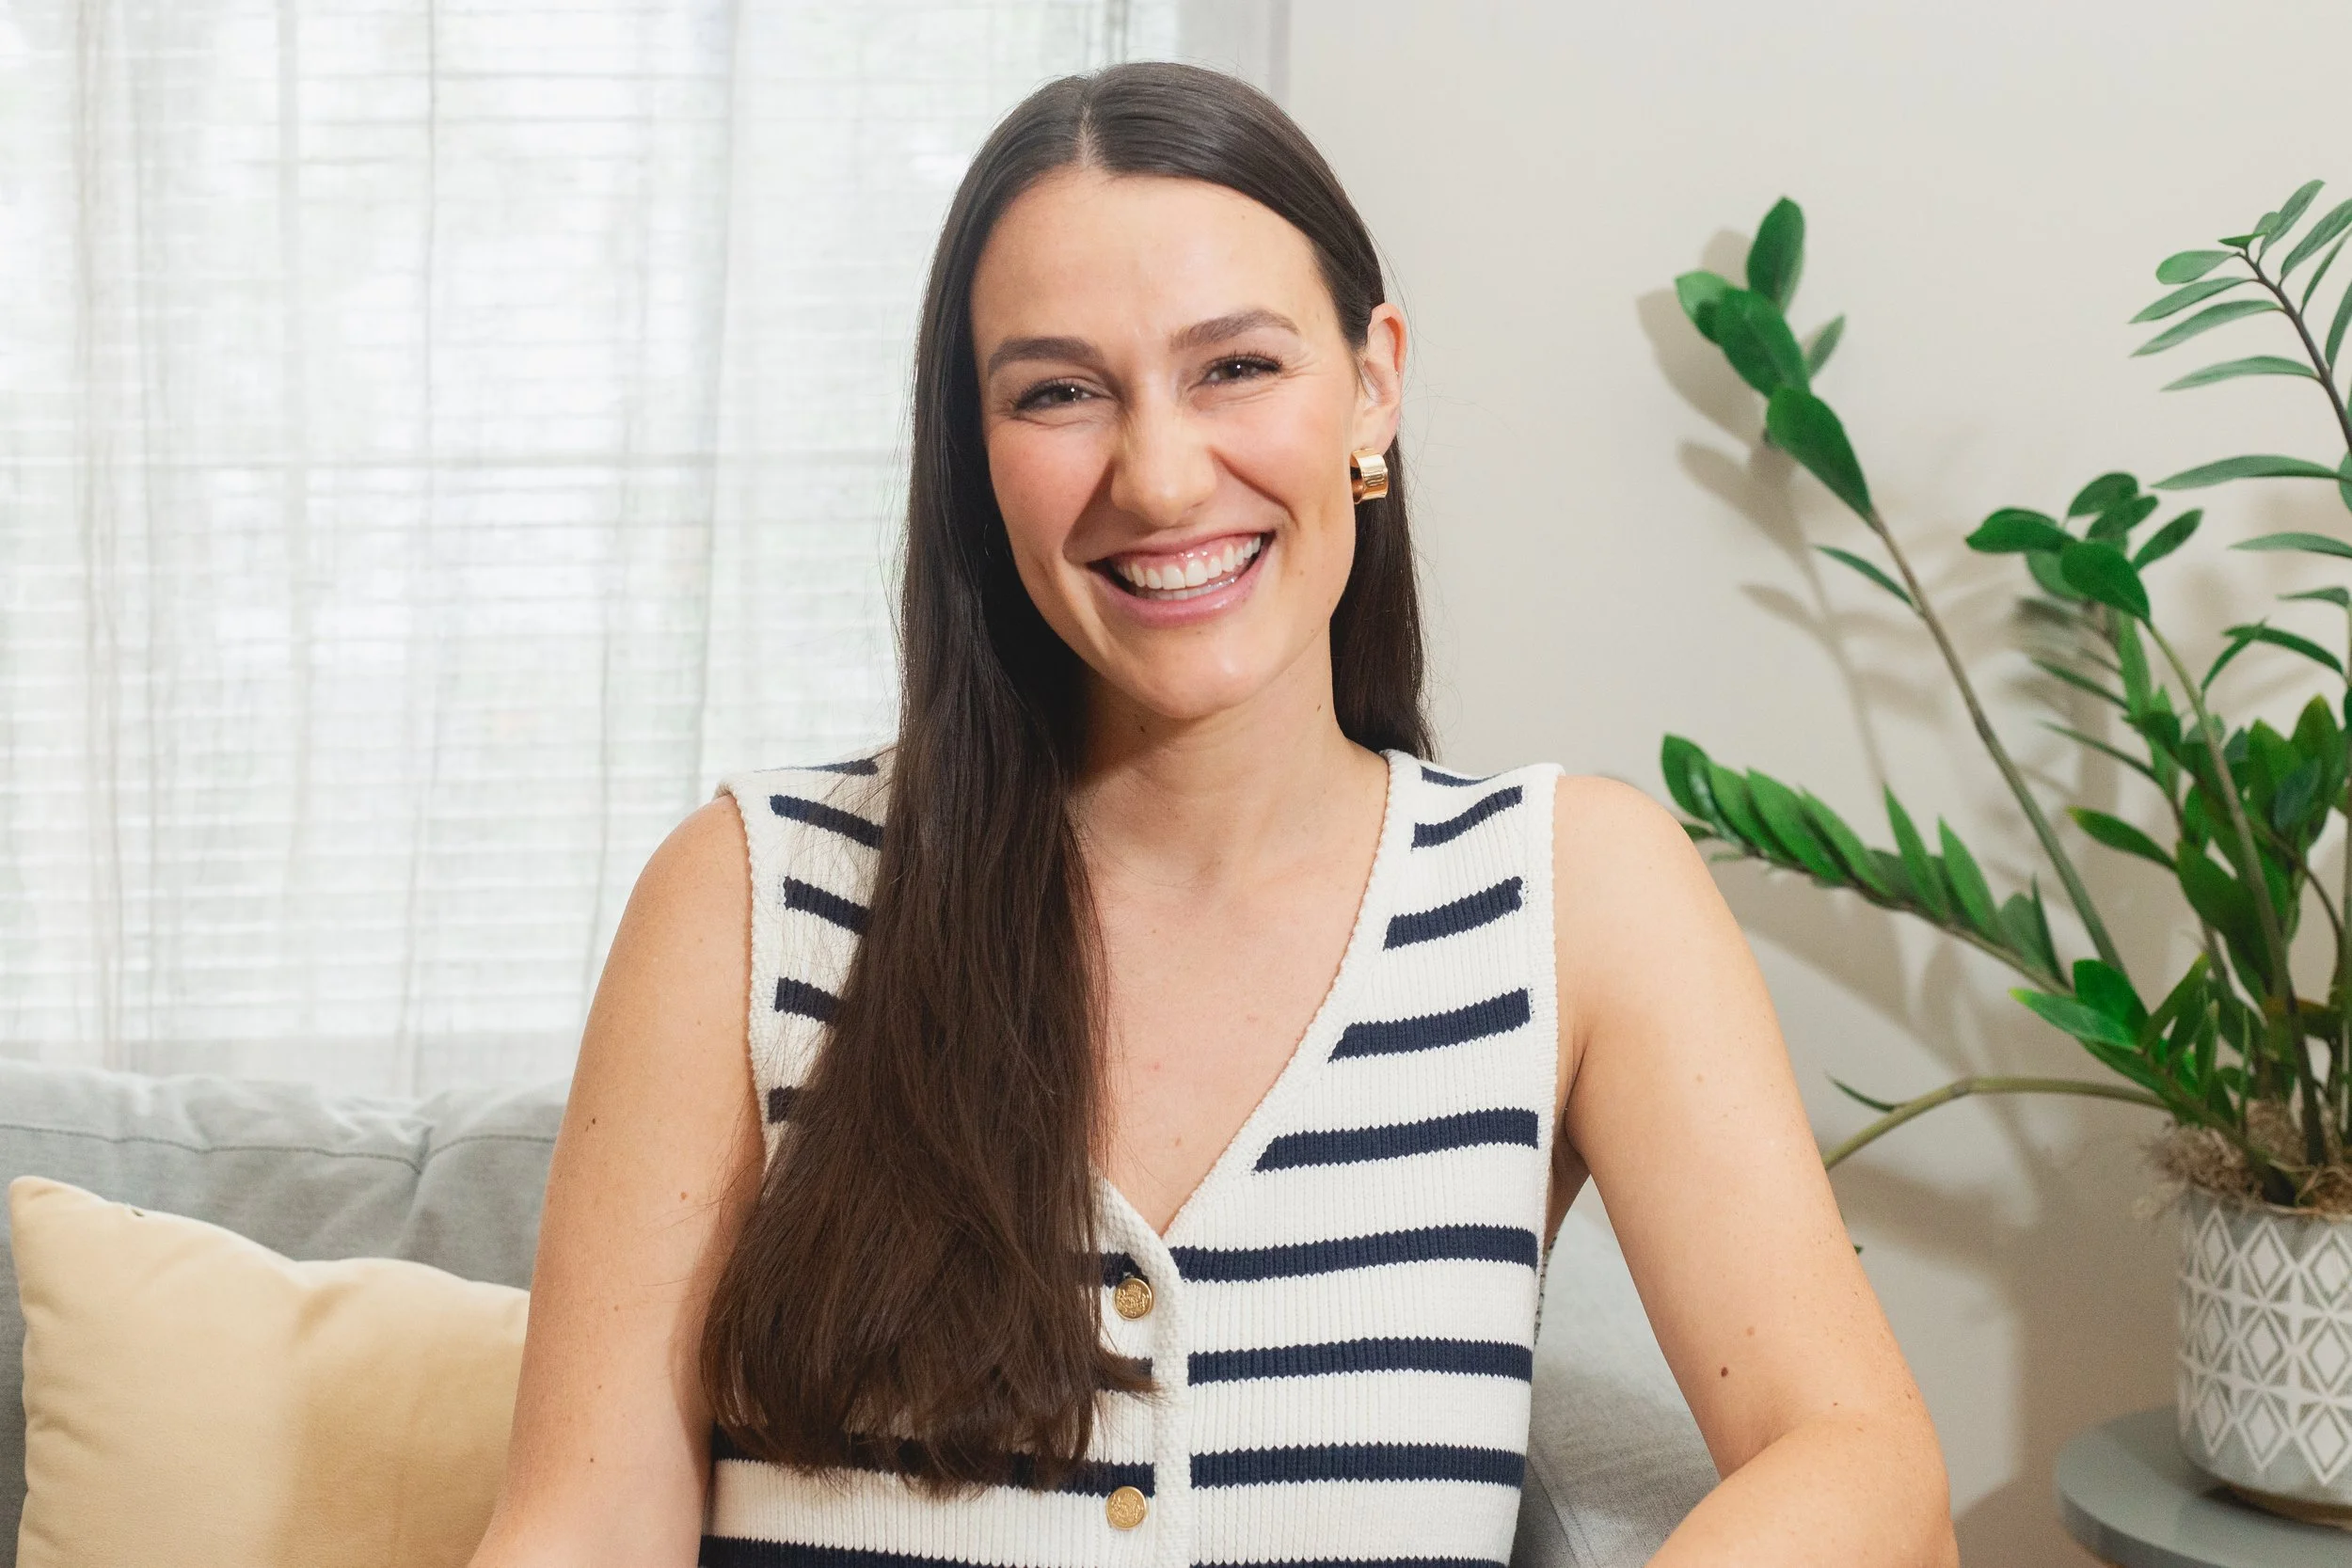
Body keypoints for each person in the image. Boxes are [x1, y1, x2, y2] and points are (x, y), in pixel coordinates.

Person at [469, 60, 1957, 1568]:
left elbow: (1858, 1461)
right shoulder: (749, 894)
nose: (1163, 477)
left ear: (1374, 379)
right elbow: (581, 1525)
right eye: (1057, 391)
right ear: (976, 453)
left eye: (1236, 366)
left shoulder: (1570, 894)